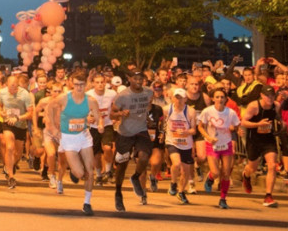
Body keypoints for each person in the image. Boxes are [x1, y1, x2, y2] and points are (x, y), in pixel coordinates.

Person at [51, 69, 102, 216]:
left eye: (82, 84)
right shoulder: (63, 98)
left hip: (84, 136)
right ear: (71, 84)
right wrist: (54, 128)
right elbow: (50, 109)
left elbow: (98, 116)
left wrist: (99, 124)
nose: (79, 87)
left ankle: (87, 203)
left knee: (90, 171)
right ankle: (75, 171)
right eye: (76, 84)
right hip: (68, 138)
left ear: (86, 85)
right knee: (80, 173)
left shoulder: (91, 100)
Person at [110, 70, 154, 213]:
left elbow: (148, 106)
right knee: (122, 166)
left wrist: (147, 117)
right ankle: (118, 193)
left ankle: (135, 177)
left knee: (144, 157)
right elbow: (112, 114)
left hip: (141, 130)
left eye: (141, 78)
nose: (139, 81)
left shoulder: (148, 92)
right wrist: (120, 113)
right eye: (135, 78)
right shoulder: (122, 96)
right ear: (129, 79)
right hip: (125, 133)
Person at [198, 87, 241, 209]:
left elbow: (237, 125)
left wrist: (238, 130)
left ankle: (223, 199)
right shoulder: (207, 111)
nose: (220, 99)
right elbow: (200, 126)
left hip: (226, 144)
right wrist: (207, 137)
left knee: (226, 173)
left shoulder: (230, 112)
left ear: (226, 99)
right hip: (212, 145)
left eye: (222, 97)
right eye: (217, 97)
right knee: (216, 172)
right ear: (213, 99)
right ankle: (210, 178)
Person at [240, 86, 281, 207]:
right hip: (254, 140)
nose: (270, 98)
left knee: (272, 165)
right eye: (267, 96)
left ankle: (268, 196)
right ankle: (246, 175)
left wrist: (282, 124)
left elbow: (278, 117)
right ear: (262, 96)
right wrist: (258, 124)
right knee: (252, 168)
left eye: (272, 96)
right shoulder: (254, 106)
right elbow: (244, 122)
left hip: (268, 139)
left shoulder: (276, 105)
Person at [0, 74, 34, 191]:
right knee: (9, 147)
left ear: (18, 85)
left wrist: (18, 118)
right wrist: (1, 112)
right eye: (10, 87)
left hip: (21, 125)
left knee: (17, 153)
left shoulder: (25, 94)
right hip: (8, 123)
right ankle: (11, 176)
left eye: (15, 87)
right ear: (6, 85)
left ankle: (10, 166)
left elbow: (30, 113)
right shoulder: (2, 93)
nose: (12, 89)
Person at [164, 88, 198, 205]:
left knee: (186, 171)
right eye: (176, 97)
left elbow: (194, 130)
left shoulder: (191, 111)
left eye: (181, 98)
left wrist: (186, 132)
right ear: (173, 98)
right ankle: (173, 183)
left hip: (186, 143)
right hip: (172, 141)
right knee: (177, 163)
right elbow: (160, 122)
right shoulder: (167, 109)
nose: (178, 100)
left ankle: (181, 191)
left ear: (185, 99)